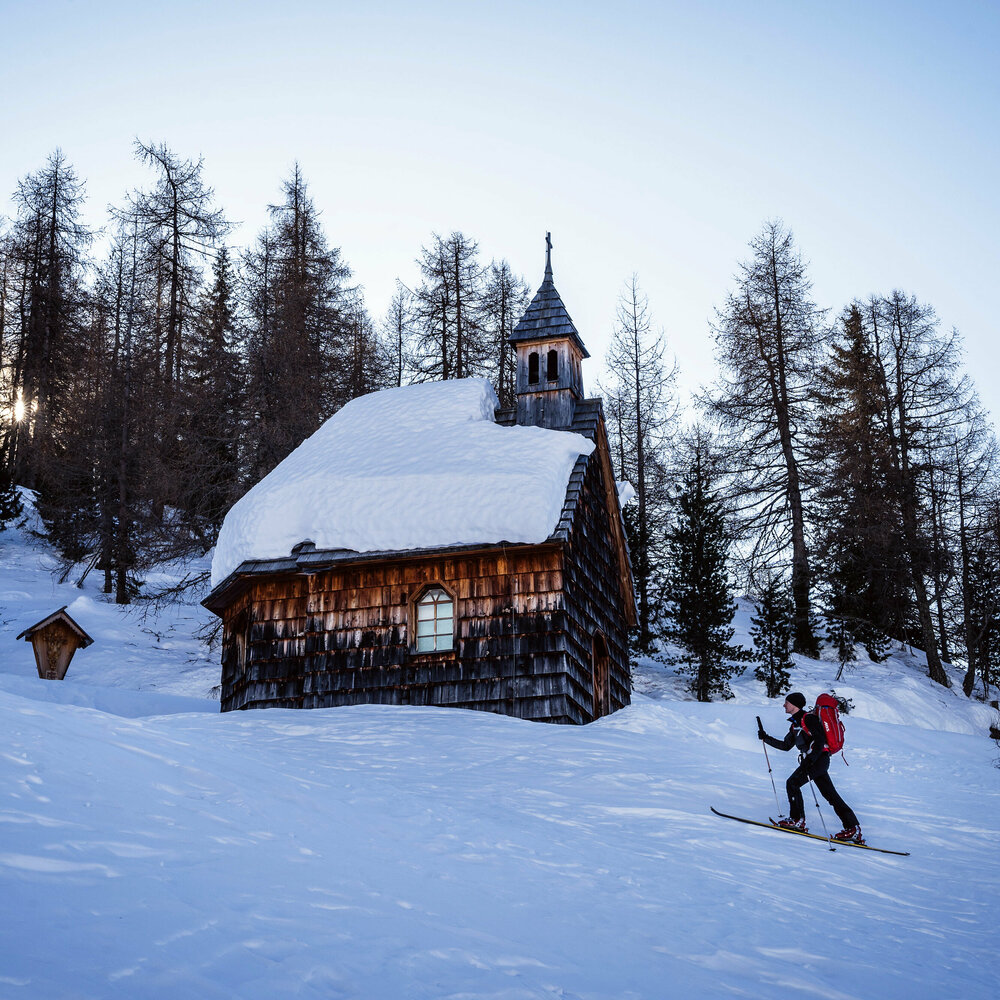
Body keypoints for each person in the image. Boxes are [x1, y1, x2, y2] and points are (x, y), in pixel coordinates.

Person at [757, 692, 864, 844]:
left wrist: (810, 760)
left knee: (792, 783)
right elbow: (786, 746)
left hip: (818, 760)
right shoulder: (795, 724)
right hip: (814, 761)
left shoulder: (809, 718)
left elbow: (820, 741)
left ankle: (797, 820)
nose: (784, 705)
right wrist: (765, 737)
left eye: (786, 702)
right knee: (830, 795)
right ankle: (853, 829)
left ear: (794, 704)